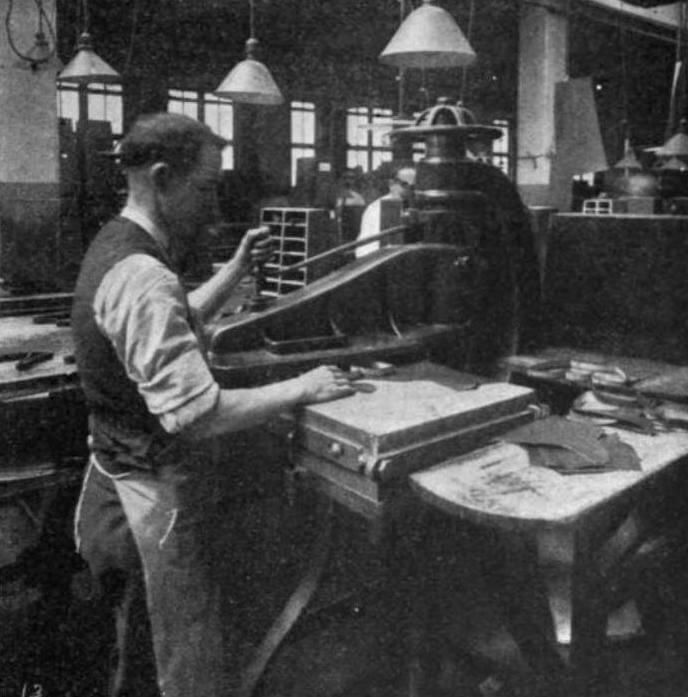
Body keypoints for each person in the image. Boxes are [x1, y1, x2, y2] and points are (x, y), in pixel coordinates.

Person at [70, 112, 355, 697]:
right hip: (149, 493)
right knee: (182, 649)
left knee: (138, 641)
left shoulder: (118, 244)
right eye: (204, 188)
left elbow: (174, 317)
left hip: (115, 472)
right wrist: (304, 387)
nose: (213, 206)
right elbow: (196, 414)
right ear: (162, 177)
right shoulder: (142, 272)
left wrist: (236, 270)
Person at [355, 164, 416, 258]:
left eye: (413, 187)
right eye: (405, 185)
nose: (410, 191)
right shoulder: (376, 209)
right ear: (391, 184)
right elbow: (367, 248)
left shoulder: (416, 207)